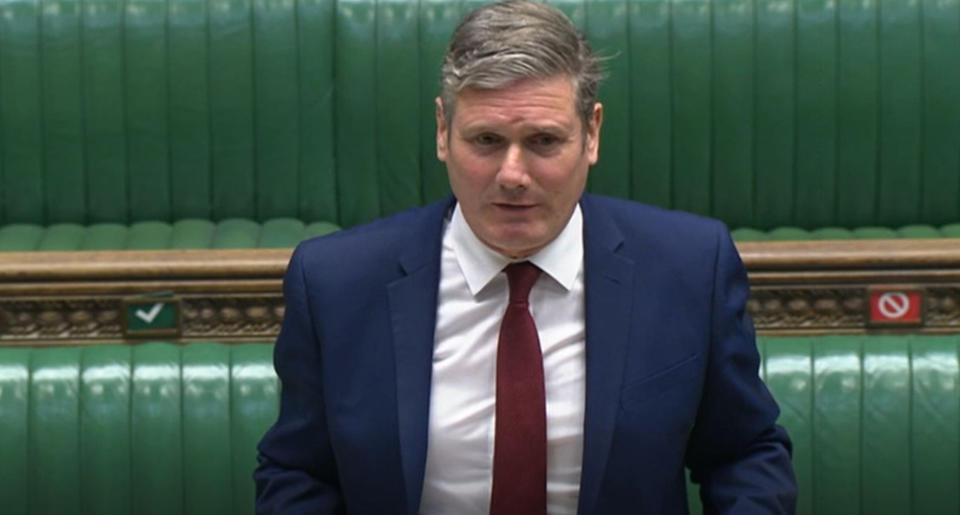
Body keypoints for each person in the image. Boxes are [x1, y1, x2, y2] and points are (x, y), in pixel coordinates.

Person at [254, 1, 797, 513]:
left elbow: (744, 454)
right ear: (443, 132)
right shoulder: (337, 283)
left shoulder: (689, 269)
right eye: (486, 140)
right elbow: (299, 473)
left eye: (543, 142)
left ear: (592, 134)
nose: (513, 175)